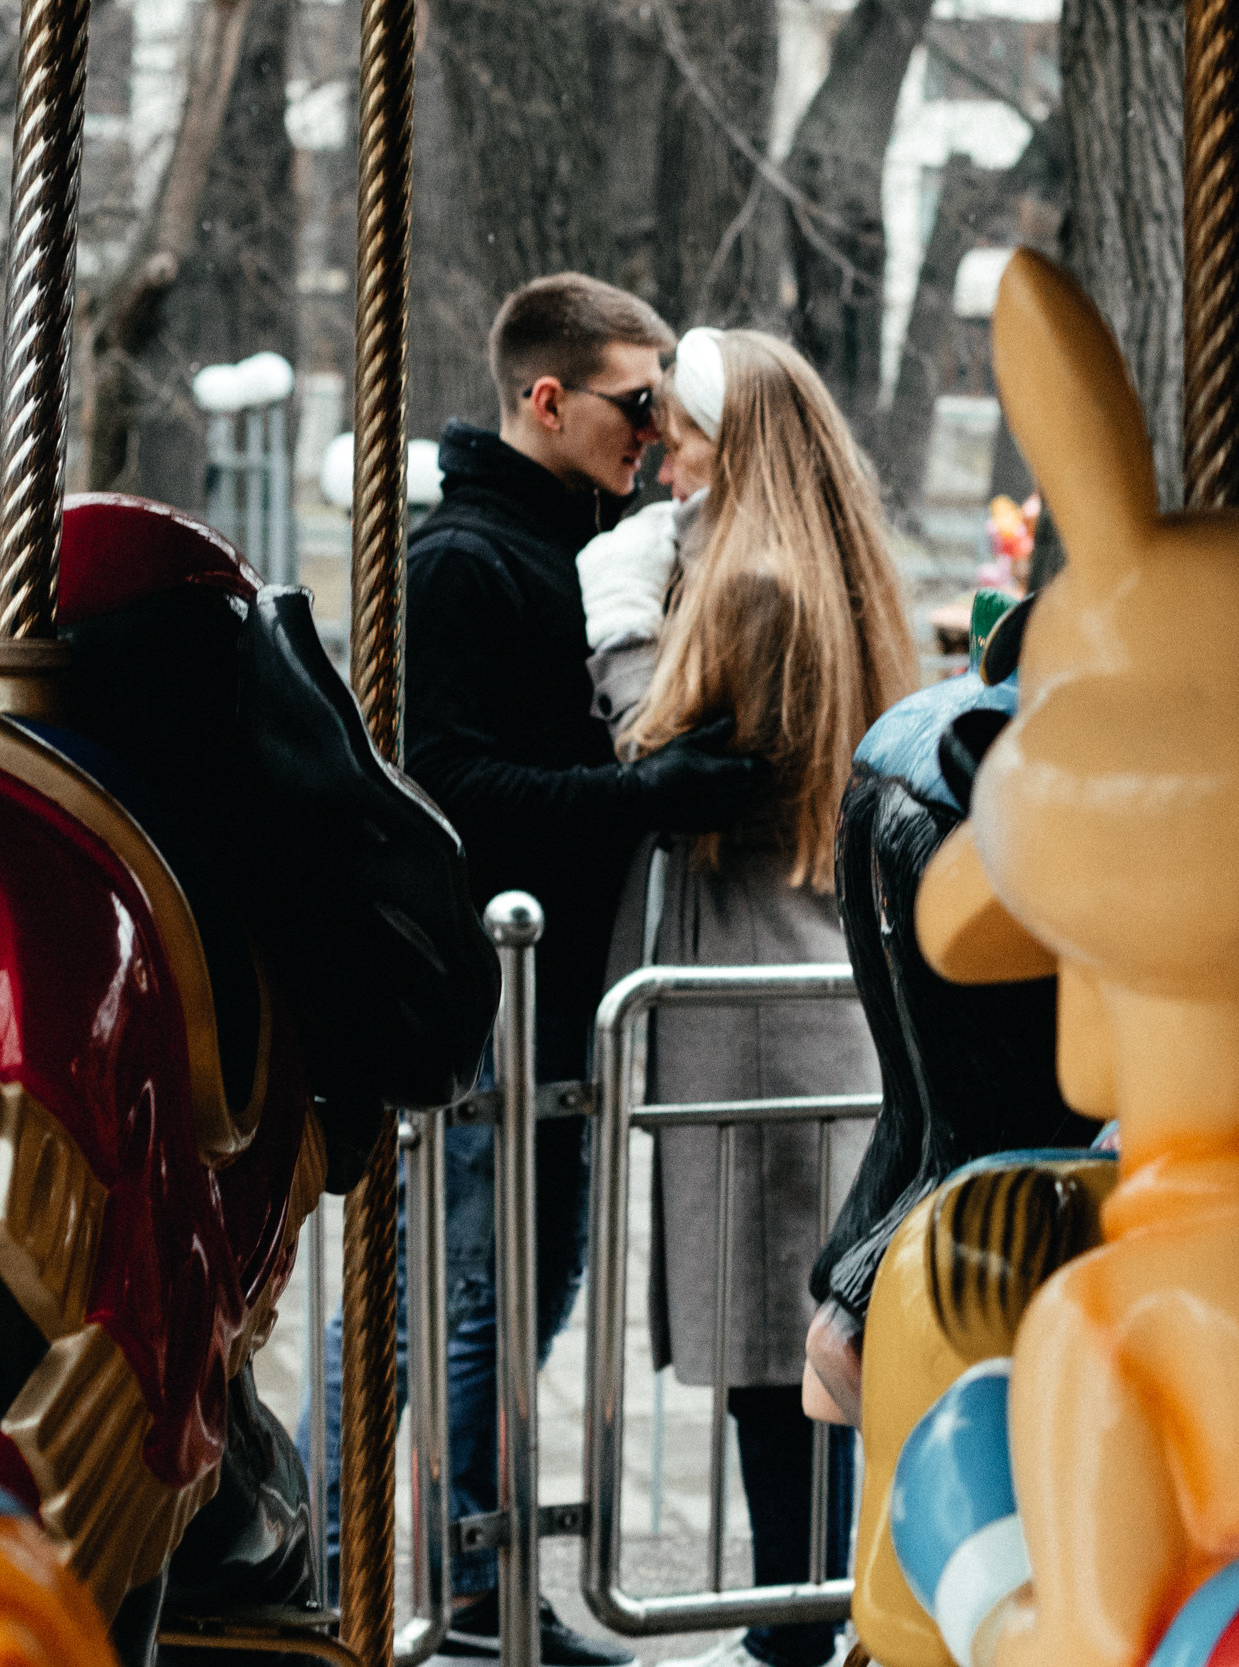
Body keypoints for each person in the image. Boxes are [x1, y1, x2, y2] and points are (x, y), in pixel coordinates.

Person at [349, 274, 769, 1667]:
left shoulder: (567, 551)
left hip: (551, 994)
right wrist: (650, 792)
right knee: (476, 1301)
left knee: (492, 1300)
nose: (653, 430)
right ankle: (449, 1601)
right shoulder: (464, 562)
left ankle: (383, 1571)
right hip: (488, 998)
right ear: (548, 399)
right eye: (636, 403)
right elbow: (458, 787)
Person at [582, 326, 920, 1667]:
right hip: (792, 988)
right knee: (788, 1346)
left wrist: (618, 628)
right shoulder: (804, 566)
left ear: (743, 448)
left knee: (772, 1358)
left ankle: (791, 1623)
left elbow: (661, 750)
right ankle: (804, 1613)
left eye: (685, 435)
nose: (662, 457)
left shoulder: (756, 585)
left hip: (753, 1006)